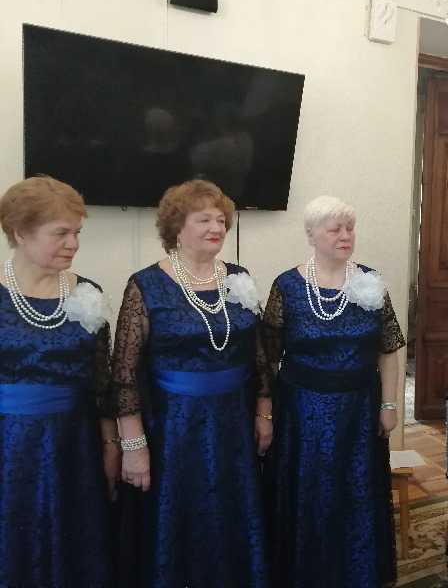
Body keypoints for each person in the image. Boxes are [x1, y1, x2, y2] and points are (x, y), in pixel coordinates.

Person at [112, 179, 270, 587]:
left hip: (232, 426)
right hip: (173, 430)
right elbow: (124, 374)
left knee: (231, 514)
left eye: (221, 220)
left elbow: (258, 355)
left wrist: (264, 411)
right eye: (204, 219)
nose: (217, 227)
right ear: (176, 228)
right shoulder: (146, 284)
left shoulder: (239, 277)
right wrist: (133, 446)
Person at [262, 195, 404, 588]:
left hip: (359, 410)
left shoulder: (371, 281)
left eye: (350, 228)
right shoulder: (287, 286)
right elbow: (267, 358)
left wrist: (389, 404)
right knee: (309, 494)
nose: (345, 236)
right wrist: (266, 413)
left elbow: (388, 350)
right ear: (311, 235)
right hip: (301, 413)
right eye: (335, 229)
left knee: (356, 491)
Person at [0, 176, 118, 586]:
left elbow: (101, 381)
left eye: (77, 233)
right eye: (61, 233)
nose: (73, 243)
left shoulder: (88, 292)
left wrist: (111, 446)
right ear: (20, 233)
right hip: (10, 447)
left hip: (75, 444)